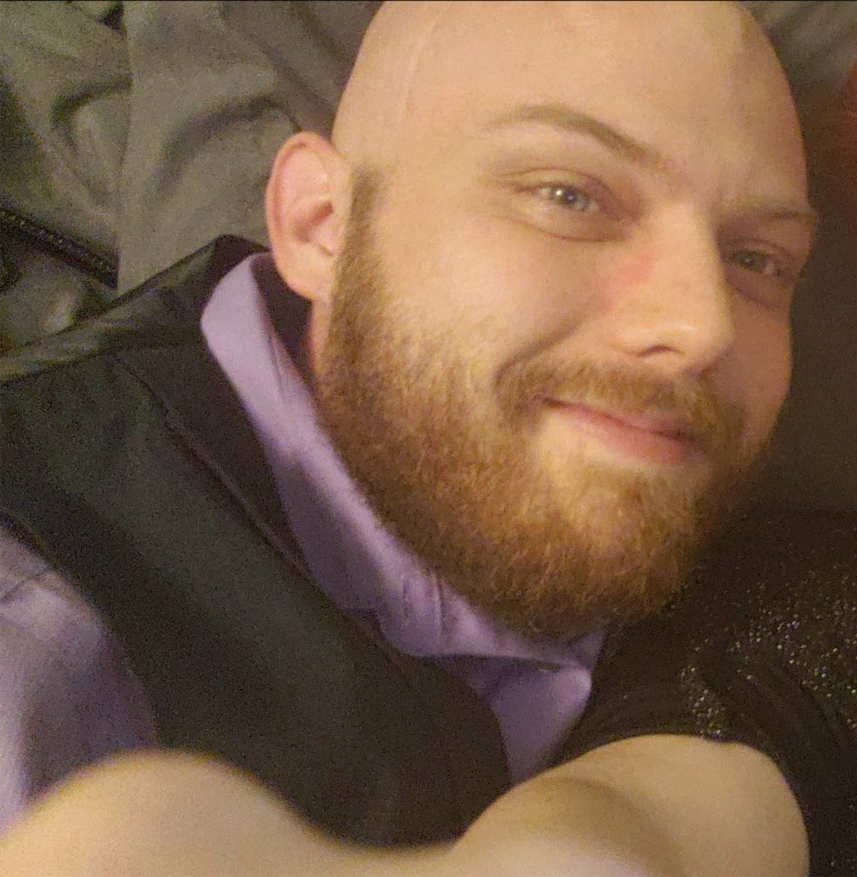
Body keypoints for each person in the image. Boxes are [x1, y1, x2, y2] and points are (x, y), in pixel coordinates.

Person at [0, 0, 814, 846]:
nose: (703, 326)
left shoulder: (779, 573)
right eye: (570, 196)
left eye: (757, 257)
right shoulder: (41, 625)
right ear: (321, 225)